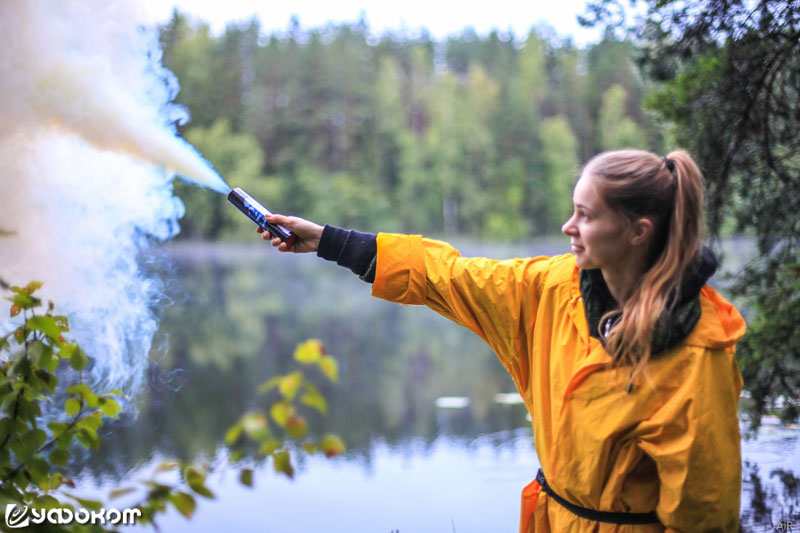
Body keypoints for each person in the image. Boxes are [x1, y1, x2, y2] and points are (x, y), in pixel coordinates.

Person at [255, 149, 746, 532]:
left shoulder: (697, 357)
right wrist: (326, 240)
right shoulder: (553, 289)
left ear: (638, 232)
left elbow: (704, 517)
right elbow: (444, 275)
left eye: (586, 215)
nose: (567, 227)